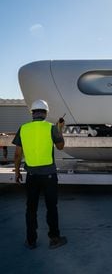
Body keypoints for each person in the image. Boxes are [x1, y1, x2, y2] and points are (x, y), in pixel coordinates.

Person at [13, 99, 67, 249]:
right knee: (51, 207)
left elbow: (17, 155)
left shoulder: (23, 128)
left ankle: (31, 241)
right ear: (45, 113)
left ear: (32, 113)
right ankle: (54, 239)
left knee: (31, 209)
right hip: (49, 175)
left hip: (31, 176)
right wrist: (60, 129)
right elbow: (61, 146)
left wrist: (17, 172)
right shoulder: (51, 128)